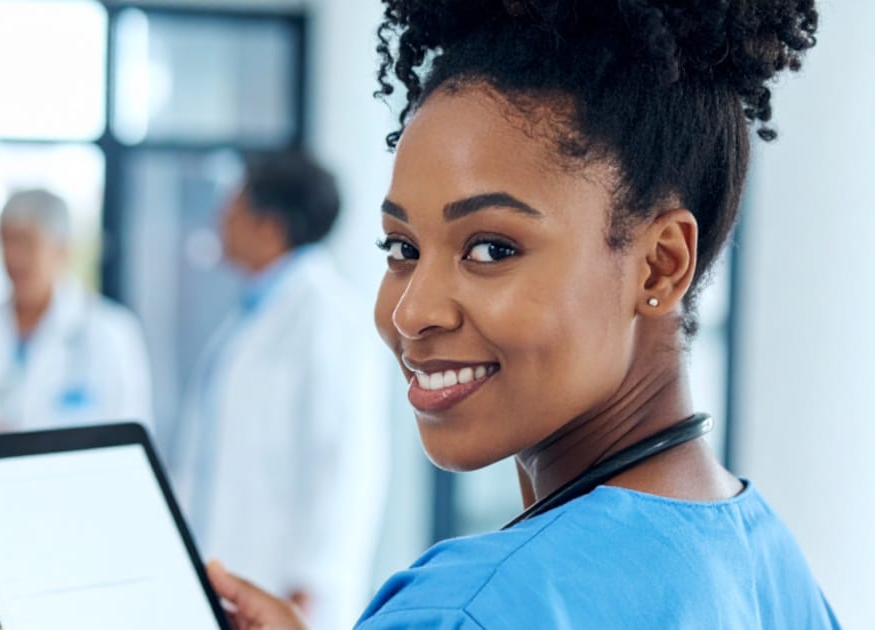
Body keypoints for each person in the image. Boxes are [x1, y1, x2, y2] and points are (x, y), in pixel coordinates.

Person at [204, 1, 841, 628]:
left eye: (490, 249)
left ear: (660, 265)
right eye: (403, 248)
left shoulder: (468, 609)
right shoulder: (771, 567)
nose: (410, 311)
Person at [172, 152, 390, 630]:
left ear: (269, 226)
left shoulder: (328, 317)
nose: (220, 219)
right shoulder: (251, 315)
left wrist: (313, 580)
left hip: (288, 590)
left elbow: (347, 459)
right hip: (230, 572)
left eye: (233, 206)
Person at [0, 188, 153, 628]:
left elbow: (133, 460)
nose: (13, 257)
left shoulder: (109, 335)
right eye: (5, 242)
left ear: (61, 250)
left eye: (26, 243)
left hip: (74, 551)